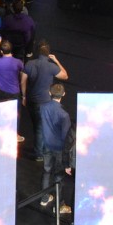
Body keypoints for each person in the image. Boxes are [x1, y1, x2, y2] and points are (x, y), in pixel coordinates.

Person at [22, 40, 69, 161]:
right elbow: (65, 75)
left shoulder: (29, 64)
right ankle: (40, 153)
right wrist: (56, 61)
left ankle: (39, 150)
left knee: (36, 125)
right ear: (48, 53)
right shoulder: (51, 66)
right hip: (44, 101)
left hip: (32, 99)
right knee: (40, 127)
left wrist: (24, 96)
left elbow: (23, 81)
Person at [39, 83, 72, 216]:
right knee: (58, 177)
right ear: (63, 94)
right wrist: (68, 162)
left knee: (46, 172)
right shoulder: (64, 115)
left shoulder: (43, 107)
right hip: (59, 149)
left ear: (49, 92)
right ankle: (59, 205)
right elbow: (66, 139)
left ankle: (44, 197)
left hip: (47, 145)